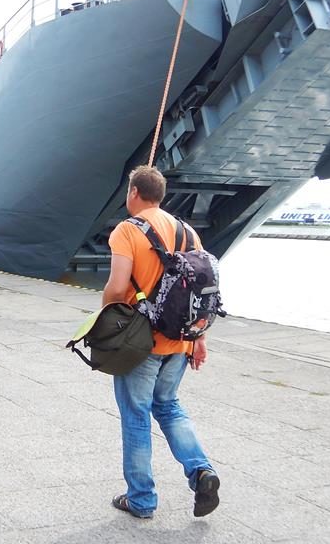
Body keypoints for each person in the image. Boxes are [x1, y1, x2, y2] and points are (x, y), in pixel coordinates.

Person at [100, 165, 219, 520]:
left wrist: (103, 322)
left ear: (134, 192)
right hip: (180, 340)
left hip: (140, 343)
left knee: (136, 415)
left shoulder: (127, 230)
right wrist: (199, 338)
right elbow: (200, 289)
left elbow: (117, 288)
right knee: (168, 406)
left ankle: (141, 499)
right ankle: (201, 471)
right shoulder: (188, 231)